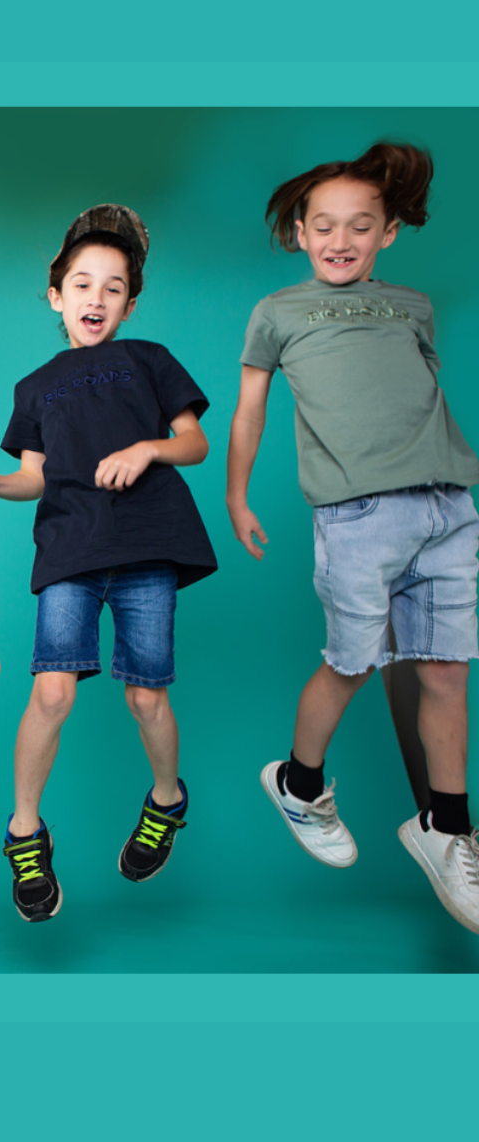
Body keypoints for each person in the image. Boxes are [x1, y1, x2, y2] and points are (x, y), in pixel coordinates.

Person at [227, 141, 479, 933]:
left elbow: (417, 392)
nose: (342, 239)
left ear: (388, 234)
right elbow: (249, 412)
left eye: (361, 226)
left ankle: (446, 827)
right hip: (359, 517)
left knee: (446, 674)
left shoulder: (411, 306)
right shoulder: (277, 313)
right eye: (325, 225)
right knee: (354, 664)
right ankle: (299, 785)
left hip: (448, 506)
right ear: (300, 231)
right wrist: (237, 496)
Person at [0, 205, 216, 922]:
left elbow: (194, 443)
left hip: (146, 547)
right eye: (81, 284)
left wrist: (147, 448)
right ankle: (24, 832)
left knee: (145, 697)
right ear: (55, 295)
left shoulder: (149, 360)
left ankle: (167, 800)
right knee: (52, 694)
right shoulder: (35, 387)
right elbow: (36, 476)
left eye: (113, 287)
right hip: (70, 550)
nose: (95, 298)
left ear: (130, 301)